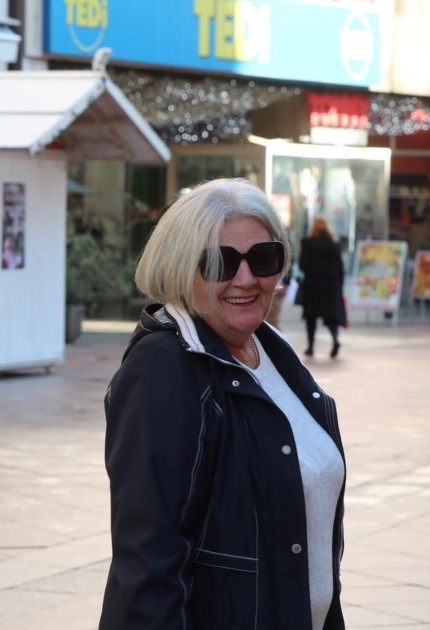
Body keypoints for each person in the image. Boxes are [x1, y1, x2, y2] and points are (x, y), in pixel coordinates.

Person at [100, 178, 346, 629]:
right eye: (219, 263)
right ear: (178, 267)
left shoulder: (272, 351)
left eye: (263, 258)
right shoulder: (164, 369)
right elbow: (148, 559)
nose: (246, 279)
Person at [299, 217, 347, 358]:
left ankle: (310, 347)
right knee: (331, 316)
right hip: (330, 285)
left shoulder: (308, 244)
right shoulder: (334, 246)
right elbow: (340, 268)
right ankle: (335, 340)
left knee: (311, 317)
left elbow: (302, 265)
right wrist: (340, 286)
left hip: (313, 285)